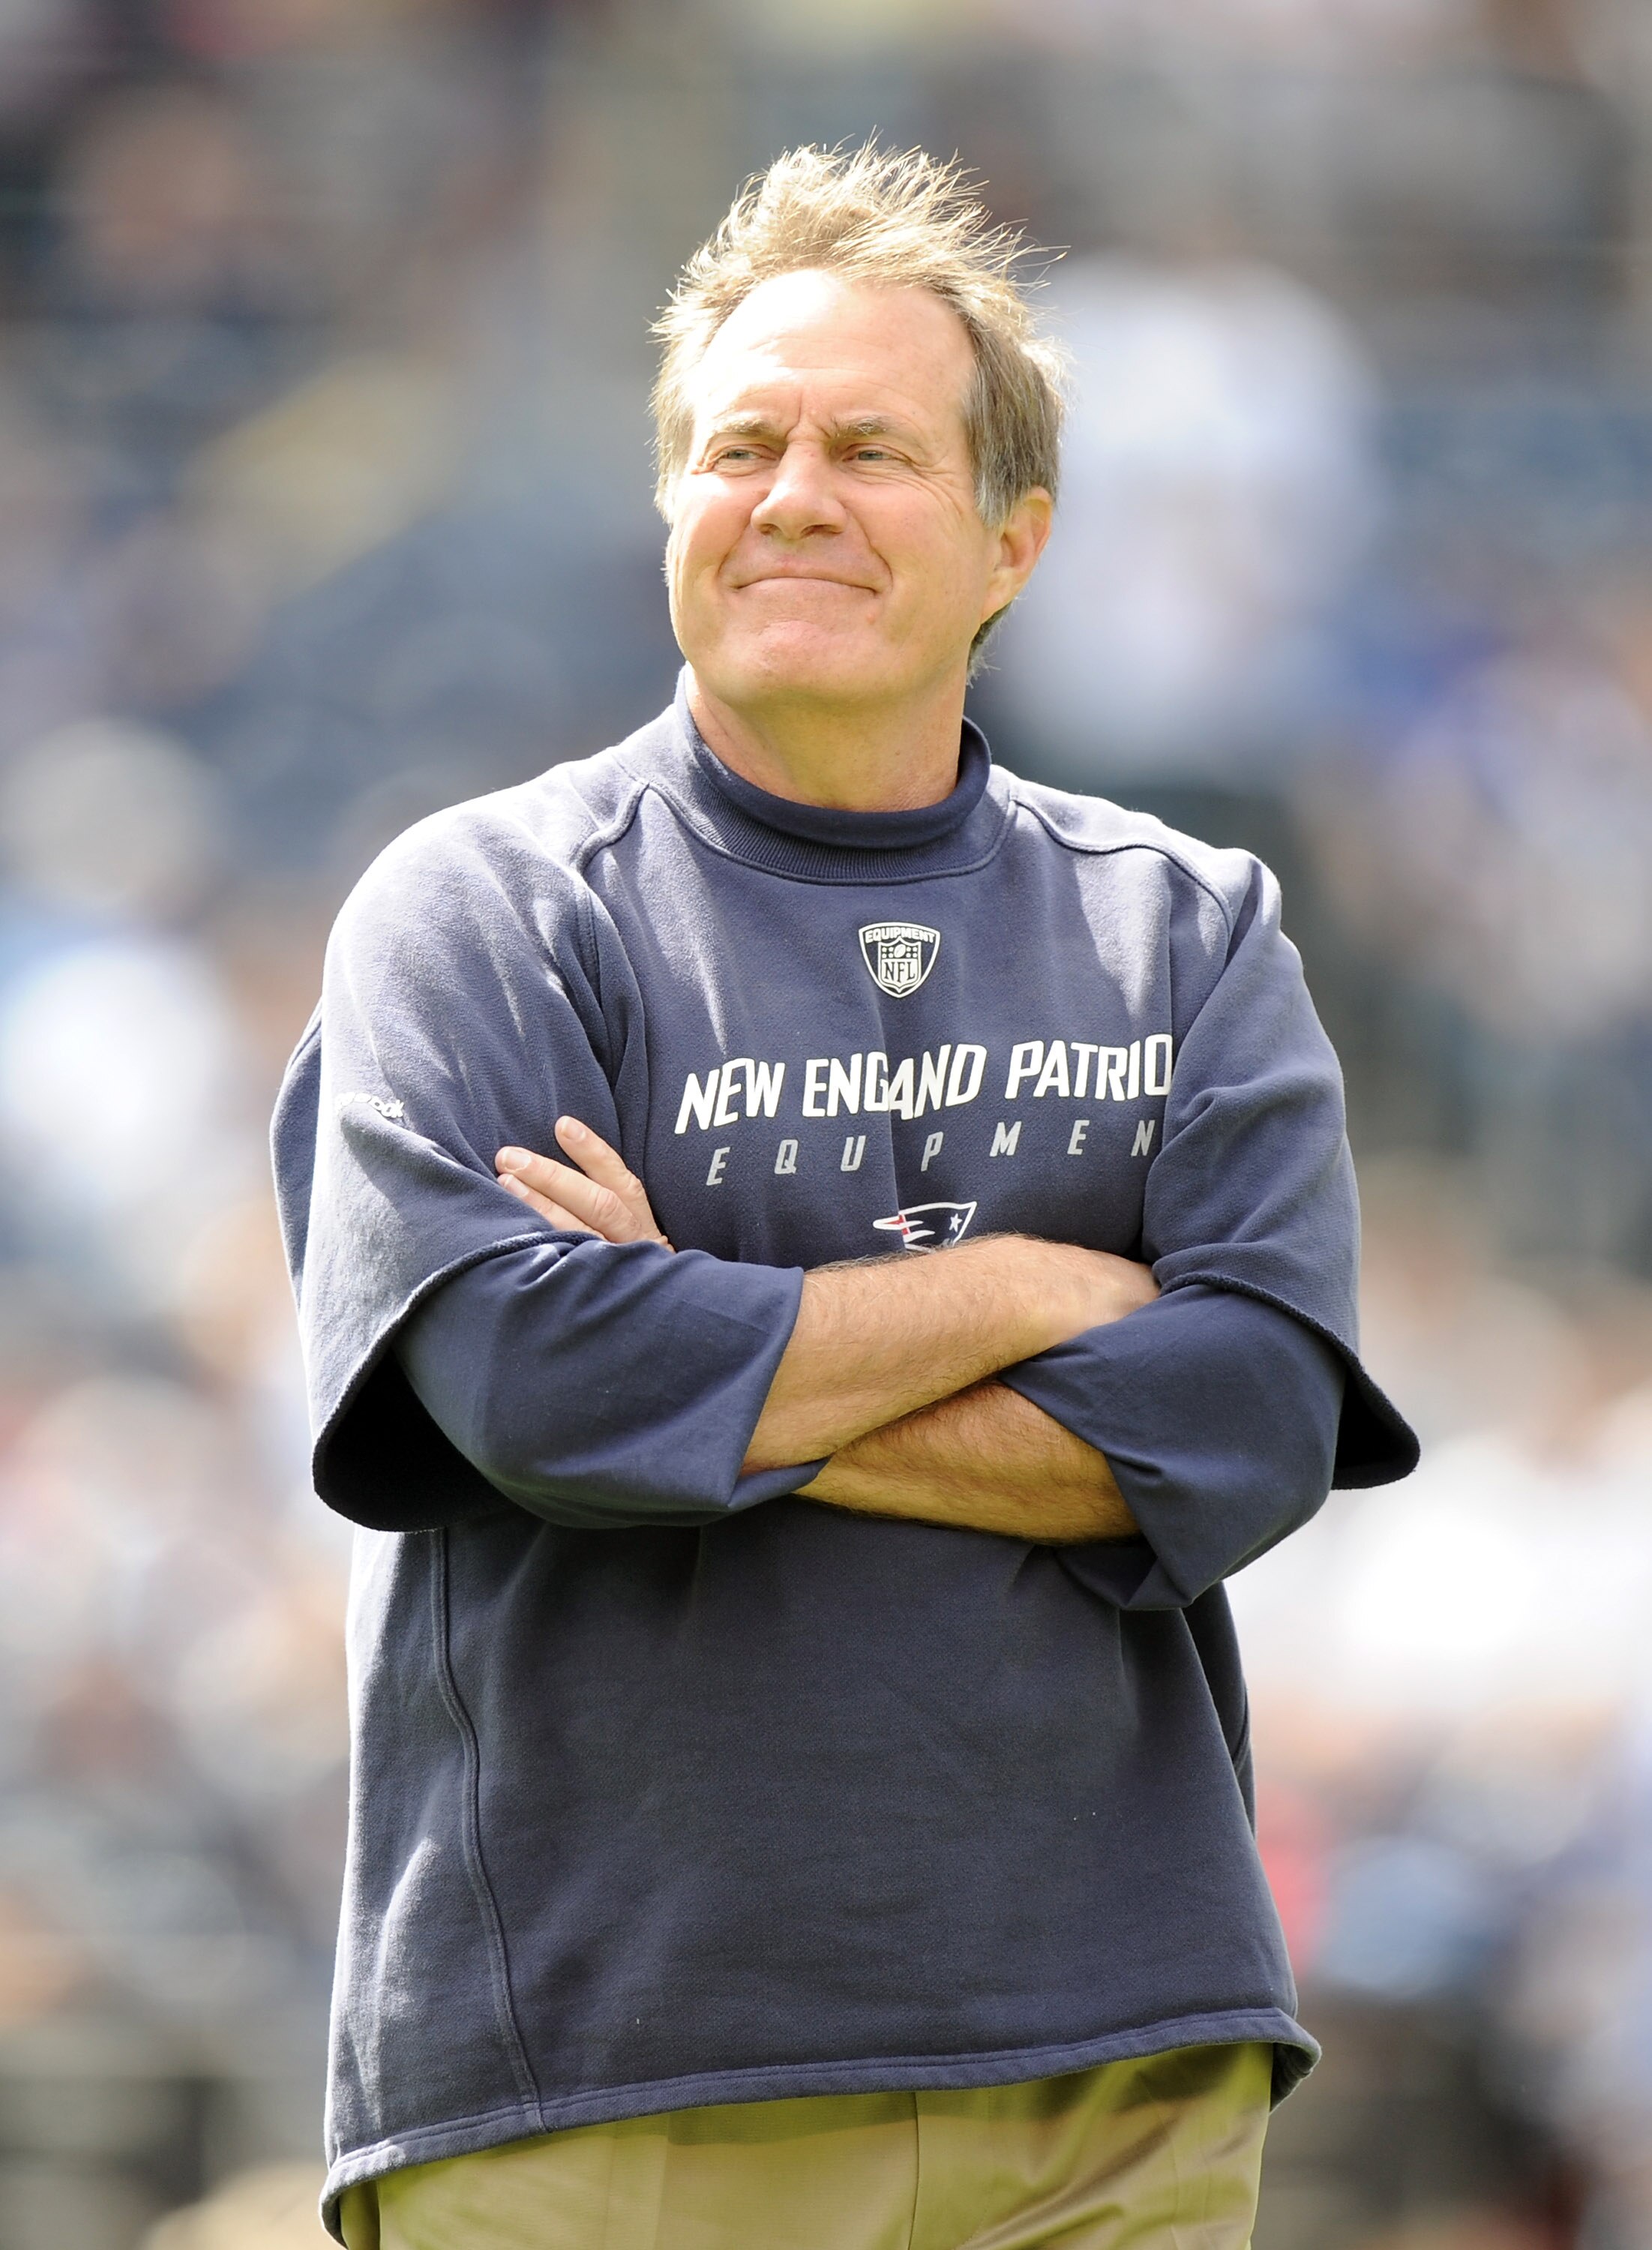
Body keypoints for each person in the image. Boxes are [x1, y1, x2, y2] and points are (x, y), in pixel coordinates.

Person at [274, 144, 1417, 2250]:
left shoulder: (1189, 928)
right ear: (670, 509)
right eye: (740, 444)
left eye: (870, 448)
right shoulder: (481, 913)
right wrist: (1030, 1296)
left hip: (1113, 2076)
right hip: (604, 2084)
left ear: (1012, 540)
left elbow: (1247, 1429)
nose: (790, 492)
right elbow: (526, 1387)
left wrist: (708, 1353)